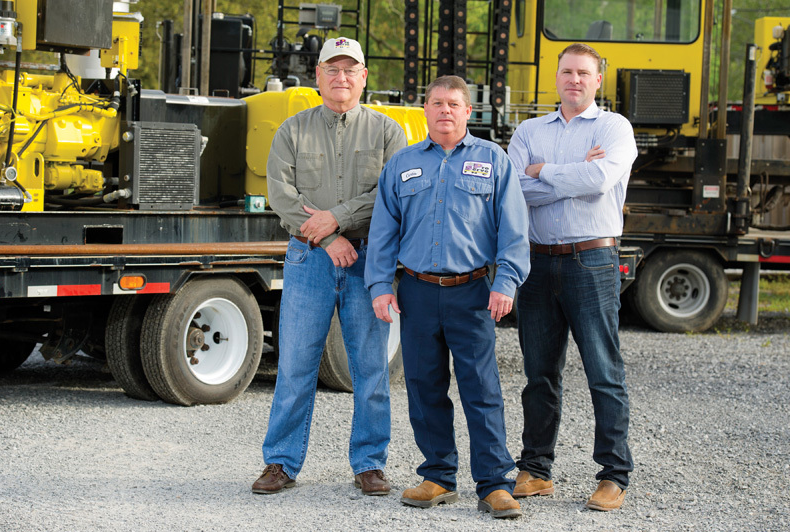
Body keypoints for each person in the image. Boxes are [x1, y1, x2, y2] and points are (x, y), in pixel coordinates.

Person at [365, 75, 530, 519]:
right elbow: (383, 231)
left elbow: (514, 228)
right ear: (425, 109)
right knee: (423, 386)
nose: (445, 111)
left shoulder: (492, 160)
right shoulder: (402, 164)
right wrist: (380, 286)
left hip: (472, 293)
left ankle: (495, 484)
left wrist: (506, 281)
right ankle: (438, 476)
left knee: (481, 389)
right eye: (437, 103)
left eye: (454, 104)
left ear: (468, 111)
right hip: (416, 292)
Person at [253, 37, 407, 496]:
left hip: (369, 261)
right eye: (332, 69)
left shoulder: (388, 132)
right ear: (318, 76)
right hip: (309, 258)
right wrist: (328, 237)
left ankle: (370, 464)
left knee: (370, 368)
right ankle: (281, 462)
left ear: (364, 77)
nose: (341, 78)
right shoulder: (292, 130)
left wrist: (337, 219)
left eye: (350, 70)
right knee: (295, 365)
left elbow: (391, 194)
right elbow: (281, 195)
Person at [506, 43, 637, 511]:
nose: (575, 80)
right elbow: (513, 189)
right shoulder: (529, 130)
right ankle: (536, 470)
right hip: (536, 263)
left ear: (597, 79)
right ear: (556, 76)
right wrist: (575, 173)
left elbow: (600, 181)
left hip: (592, 261)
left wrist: (544, 171)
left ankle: (614, 475)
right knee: (539, 374)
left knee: (603, 371)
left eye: (584, 73)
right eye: (567, 72)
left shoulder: (614, 128)